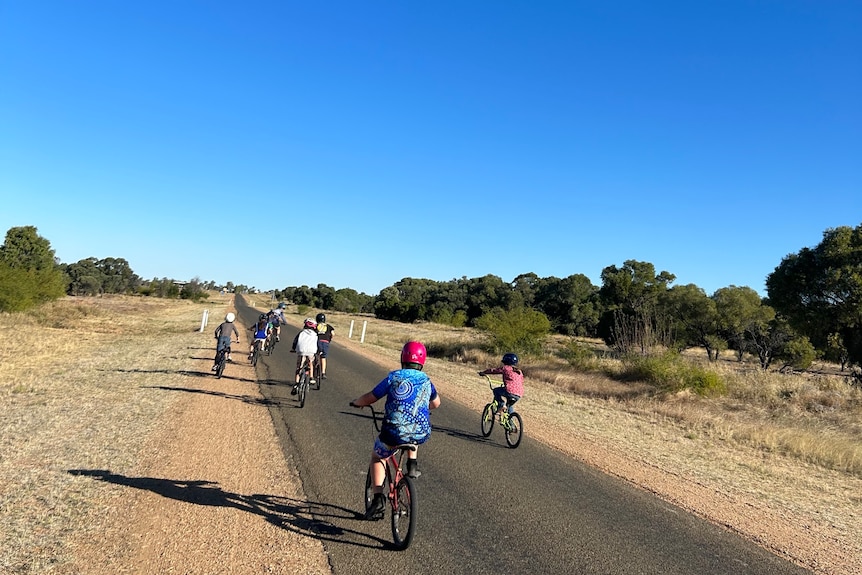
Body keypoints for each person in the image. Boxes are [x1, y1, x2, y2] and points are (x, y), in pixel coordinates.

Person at [349, 341, 441, 520]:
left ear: (402, 358)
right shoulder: (426, 380)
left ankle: (377, 499)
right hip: (420, 432)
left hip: (393, 432)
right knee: (414, 431)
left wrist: (357, 402)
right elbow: (436, 403)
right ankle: (412, 465)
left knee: (378, 456)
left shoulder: (394, 377)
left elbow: (371, 397)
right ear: (423, 361)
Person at [478, 353, 524, 421]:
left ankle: (501, 405)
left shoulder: (506, 368)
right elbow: (521, 381)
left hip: (509, 391)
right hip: (519, 393)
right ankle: (511, 426)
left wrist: (484, 372)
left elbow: (494, 371)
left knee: (496, 390)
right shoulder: (519, 371)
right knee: (509, 406)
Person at [290, 318, 319, 394]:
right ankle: (311, 377)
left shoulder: (301, 333)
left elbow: (295, 341)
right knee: (310, 363)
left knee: (299, 367)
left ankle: (296, 384)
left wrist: (293, 349)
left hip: (301, 351)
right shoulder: (315, 334)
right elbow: (318, 344)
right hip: (311, 351)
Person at [314, 312, 334, 379]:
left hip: (317, 341)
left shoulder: (316, 326)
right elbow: (333, 333)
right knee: (323, 358)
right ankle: (323, 373)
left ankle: (315, 369)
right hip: (325, 342)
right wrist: (329, 339)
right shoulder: (328, 326)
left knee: (316, 355)